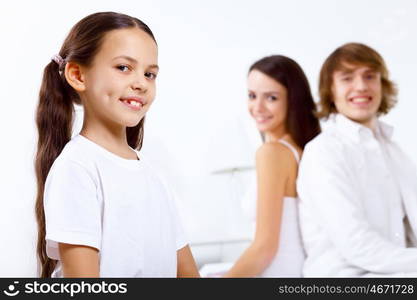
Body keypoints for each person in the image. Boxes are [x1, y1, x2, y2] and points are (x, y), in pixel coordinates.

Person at [34, 12, 199, 278]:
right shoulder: (76, 169)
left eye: (150, 74)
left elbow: (188, 276)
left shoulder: (152, 174)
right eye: (123, 67)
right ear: (77, 74)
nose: (140, 83)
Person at [297, 42, 417, 277]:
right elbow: (357, 246)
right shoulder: (323, 153)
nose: (361, 86)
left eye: (370, 76)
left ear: (382, 85)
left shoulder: (394, 152)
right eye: (347, 78)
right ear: (330, 90)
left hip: (395, 273)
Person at [224, 55, 321, 277]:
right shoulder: (300, 150)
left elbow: (264, 249)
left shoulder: (273, 153)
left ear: (293, 100)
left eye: (271, 98)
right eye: (252, 95)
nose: (257, 107)